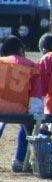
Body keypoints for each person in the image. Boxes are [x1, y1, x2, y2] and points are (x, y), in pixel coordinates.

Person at [0, 35, 43, 172]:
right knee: (27, 125)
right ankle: (20, 161)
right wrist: (35, 115)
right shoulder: (32, 65)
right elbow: (35, 96)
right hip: (19, 109)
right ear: (20, 50)